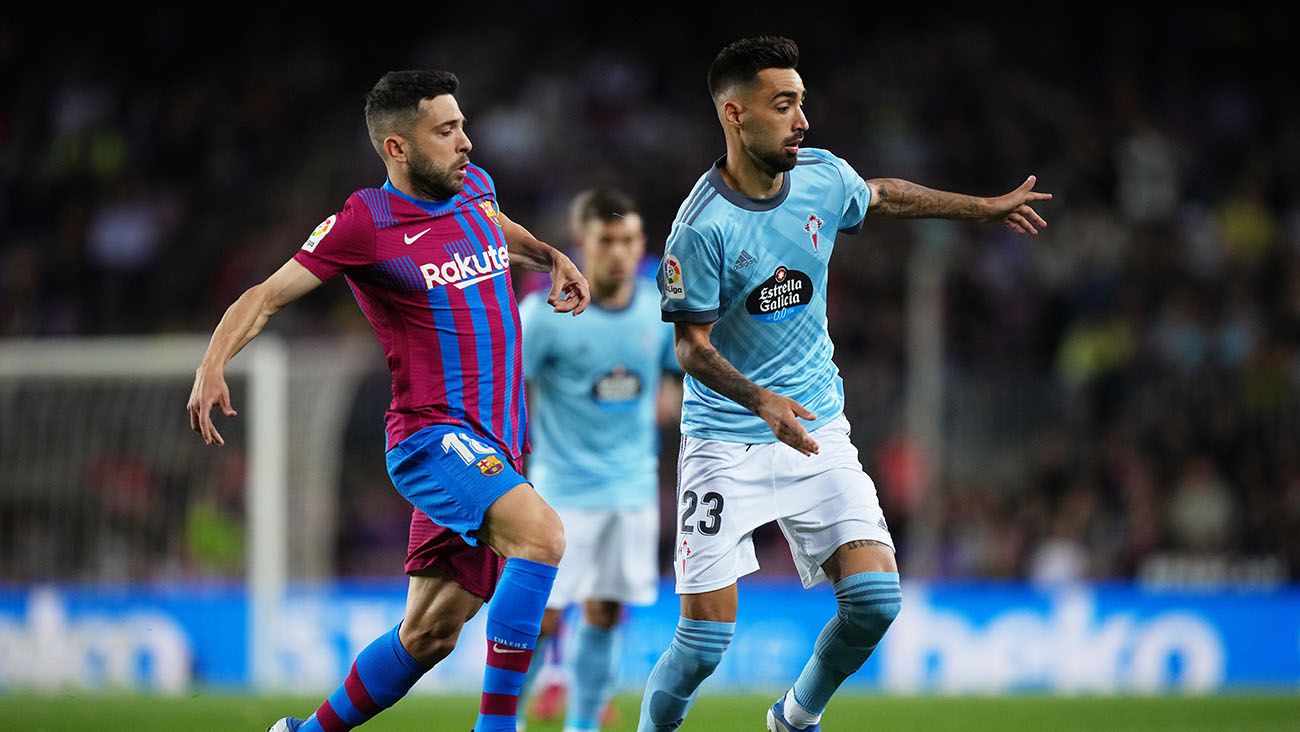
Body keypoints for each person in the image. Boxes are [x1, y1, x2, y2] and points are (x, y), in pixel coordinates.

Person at [637, 36, 1052, 732]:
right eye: (784, 104)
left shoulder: (823, 177)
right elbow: (692, 348)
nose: (803, 119)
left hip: (817, 428)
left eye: (802, 102)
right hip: (726, 442)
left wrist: (982, 208)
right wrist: (762, 400)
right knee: (704, 645)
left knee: (876, 603)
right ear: (735, 115)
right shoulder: (699, 228)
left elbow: (885, 195)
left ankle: (795, 718)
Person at [185, 69, 590, 732]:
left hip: (499, 446)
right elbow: (265, 295)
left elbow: (496, 225)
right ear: (398, 149)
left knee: (429, 633)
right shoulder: (364, 222)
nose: (466, 141)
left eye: (462, 125)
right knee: (542, 538)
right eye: (446, 130)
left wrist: (548, 256)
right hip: (433, 440)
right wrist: (212, 363)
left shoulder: (474, 186)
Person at [516, 188, 682, 732]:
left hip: (631, 491)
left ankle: (583, 726)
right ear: (581, 246)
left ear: (642, 246)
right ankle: (503, 721)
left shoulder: (660, 315)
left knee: (606, 613)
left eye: (629, 240)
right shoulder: (544, 316)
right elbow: (509, 386)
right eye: (606, 241)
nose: (619, 252)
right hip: (560, 491)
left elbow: (673, 380)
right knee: (543, 616)